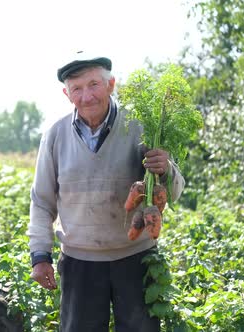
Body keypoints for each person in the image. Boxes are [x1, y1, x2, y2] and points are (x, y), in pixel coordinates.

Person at [27, 52, 185, 332]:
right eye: (77, 88)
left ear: (111, 85)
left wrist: (166, 170)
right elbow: (42, 202)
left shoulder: (140, 127)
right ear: (67, 94)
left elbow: (172, 193)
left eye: (94, 85)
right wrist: (40, 256)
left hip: (136, 257)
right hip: (80, 262)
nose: (86, 96)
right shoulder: (55, 134)